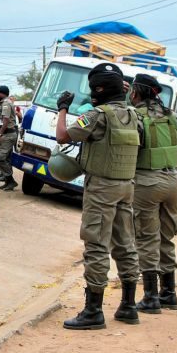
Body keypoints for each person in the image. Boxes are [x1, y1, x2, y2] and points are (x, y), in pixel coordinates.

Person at [55, 63, 142, 330]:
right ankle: (128, 306)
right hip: (126, 186)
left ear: (98, 89)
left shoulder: (97, 116)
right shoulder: (133, 115)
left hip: (101, 188)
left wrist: (63, 108)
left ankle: (93, 310)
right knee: (125, 243)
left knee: (96, 245)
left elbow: (62, 136)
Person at [130, 74, 177, 313]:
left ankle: (150, 297)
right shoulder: (173, 117)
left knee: (146, 238)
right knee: (166, 237)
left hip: (146, 182)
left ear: (136, 93)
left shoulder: (136, 117)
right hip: (173, 180)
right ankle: (169, 294)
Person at [0, 85, 19, 192]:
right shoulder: (4, 103)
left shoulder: (6, 104)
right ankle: (8, 181)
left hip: (8, 134)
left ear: (1, 93)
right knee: (6, 159)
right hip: (8, 134)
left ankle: (10, 180)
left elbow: (5, 120)